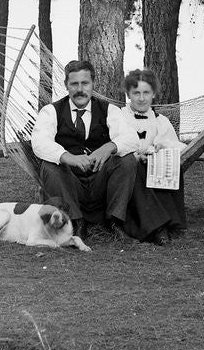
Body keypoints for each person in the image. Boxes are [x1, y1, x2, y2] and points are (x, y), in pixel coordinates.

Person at [31, 59, 139, 241]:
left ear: (93, 84)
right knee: (50, 166)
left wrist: (109, 147)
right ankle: (75, 223)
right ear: (66, 85)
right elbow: (39, 142)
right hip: (70, 184)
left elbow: (132, 138)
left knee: (126, 160)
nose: (80, 89)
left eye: (85, 83)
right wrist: (67, 157)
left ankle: (114, 222)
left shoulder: (109, 110)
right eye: (74, 84)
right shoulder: (51, 111)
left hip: (100, 183)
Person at [111, 68, 187, 245]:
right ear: (128, 94)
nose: (141, 98)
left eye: (146, 93)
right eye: (136, 93)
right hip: (126, 168)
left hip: (153, 165)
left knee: (168, 164)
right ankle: (158, 227)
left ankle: (169, 221)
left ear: (153, 94)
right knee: (136, 167)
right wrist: (137, 155)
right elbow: (115, 143)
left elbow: (176, 146)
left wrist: (160, 148)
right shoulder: (119, 116)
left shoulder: (160, 120)